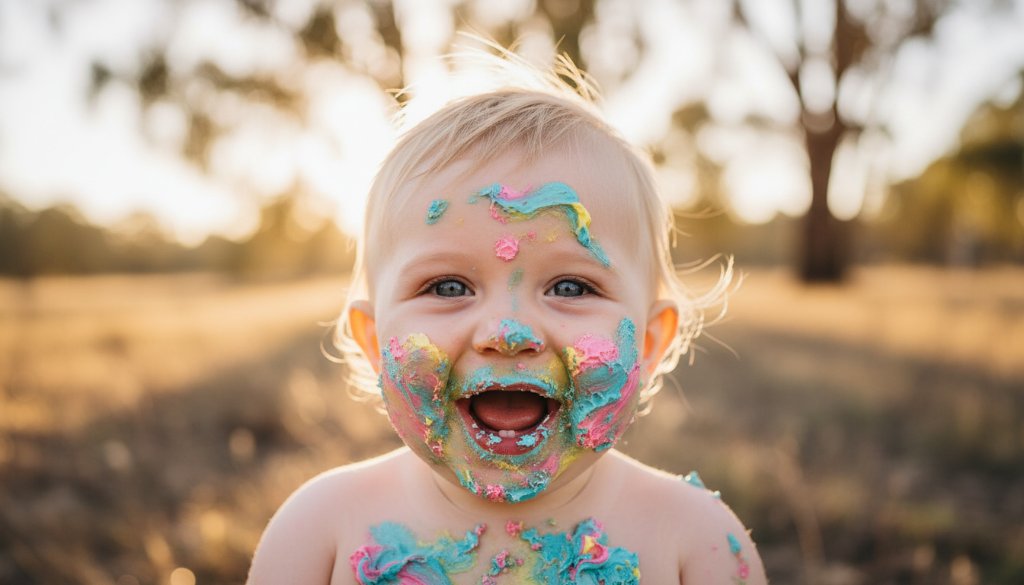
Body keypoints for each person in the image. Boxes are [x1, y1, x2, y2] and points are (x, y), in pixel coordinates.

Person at [248, 53, 767, 584]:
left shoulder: (695, 543)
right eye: (448, 287)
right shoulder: (318, 534)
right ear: (376, 341)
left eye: (570, 287)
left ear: (652, 342)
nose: (507, 333)